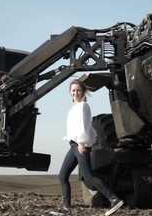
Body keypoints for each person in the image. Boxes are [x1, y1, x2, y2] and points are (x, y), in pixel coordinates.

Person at [58, 79, 124, 216]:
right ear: (70, 92)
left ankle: (114, 199)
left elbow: (85, 126)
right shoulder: (74, 107)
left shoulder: (83, 106)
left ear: (83, 92)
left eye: (78, 90)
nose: (76, 93)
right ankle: (66, 207)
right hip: (73, 145)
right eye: (73, 90)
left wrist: (82, 142)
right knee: (63, 175)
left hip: (80, 145)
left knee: (89, 178)